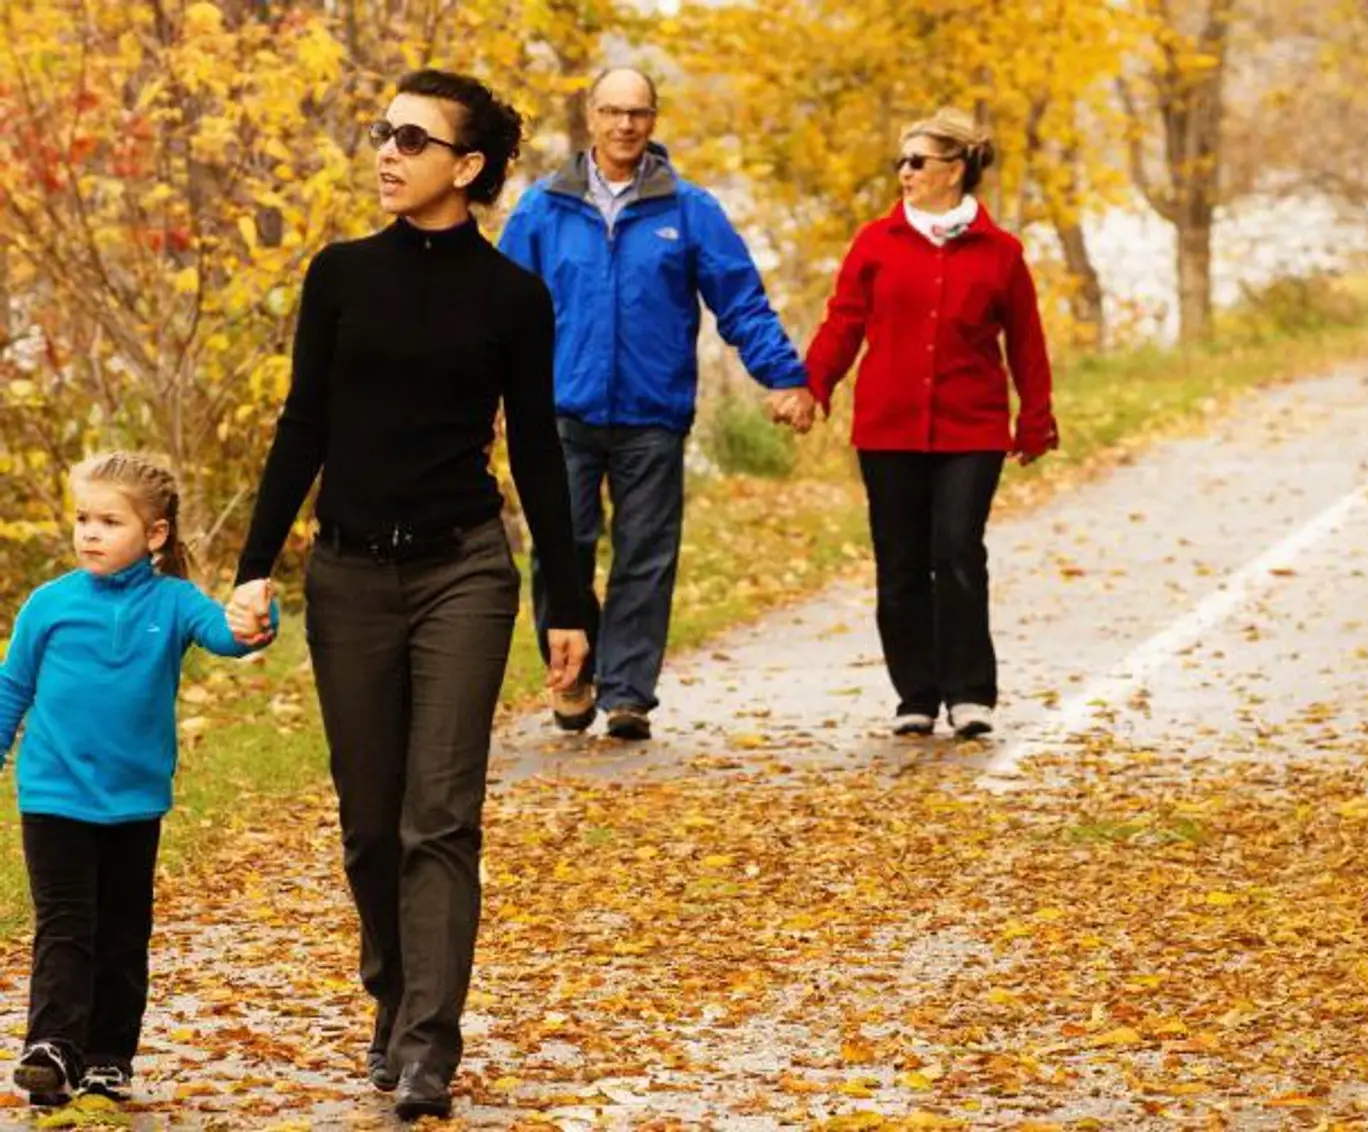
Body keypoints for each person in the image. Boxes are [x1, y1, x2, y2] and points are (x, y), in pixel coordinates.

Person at [227, 70, 590, 1121]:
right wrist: (255, 562)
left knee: (441, 816)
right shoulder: (340, 274)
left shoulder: (513, 298)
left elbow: (536, 451)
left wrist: (569, 603)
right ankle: (392, 994)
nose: (388, 151)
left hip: (462, 572)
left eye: (413, 138)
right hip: (347, 578)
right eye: (385, 132)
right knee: (368, 824)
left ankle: (430, 1042)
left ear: (467, 166)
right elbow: (303, 423)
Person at [498, 67, 813, 742]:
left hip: (653, 413)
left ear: (654, 119)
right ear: (591, 115)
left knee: (645, 554)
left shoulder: (689, 209)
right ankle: (573, 675)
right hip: (560, 412)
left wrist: (785, 376)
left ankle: (627, 693)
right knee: (561, 550)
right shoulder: (542, 208)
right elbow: (498, 310)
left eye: (637, 113)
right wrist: (484, 394)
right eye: (613, 111)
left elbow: (741, 303)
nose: (625, 125)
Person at [0, 453, 275, 1108]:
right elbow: (12, 688)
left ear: (154, 534)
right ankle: (52, 1048)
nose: (90, 533)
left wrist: (255, 617)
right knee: (65, 925)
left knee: (123, 933)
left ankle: (107, 1056)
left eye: (109, 521)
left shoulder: (174, 602)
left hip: (132, 803)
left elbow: (228, 638)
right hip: (54, 795)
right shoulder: (49, 604)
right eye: (83, 520)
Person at [800, 109, 1059, 739]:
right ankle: (915, 694)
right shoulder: (875, 243)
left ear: (956, 169)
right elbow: (843, 323)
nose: (905, 172)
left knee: (958, 551)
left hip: (972, 428)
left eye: (917, 161)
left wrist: (1036, 419)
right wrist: (812, 386)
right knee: (900, 564)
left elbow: (1027, 342)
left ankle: (970, 693)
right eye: (902, 161)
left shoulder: (1001, 253)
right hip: (887, 428)